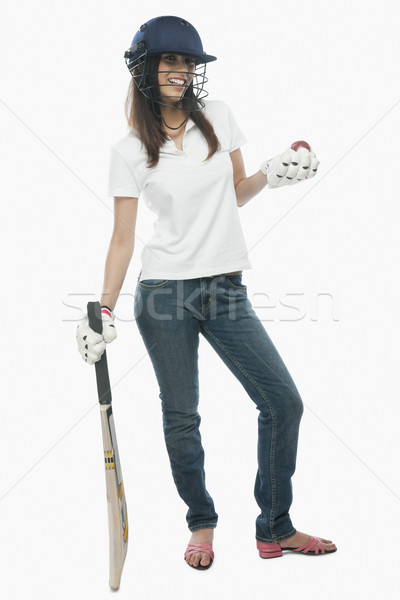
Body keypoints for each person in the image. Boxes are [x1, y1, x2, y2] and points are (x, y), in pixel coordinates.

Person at [76, 15, 337, 570]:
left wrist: (274, 171)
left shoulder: (217, 117)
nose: (181, 72)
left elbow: (238, 193)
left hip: (225, 290)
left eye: (188, 63)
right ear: (145, 68)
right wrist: (102, 309)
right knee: (182, 417)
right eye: (170, 62)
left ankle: (275, 528)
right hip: (162, 295)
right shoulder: (127, 151)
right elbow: (123, 238)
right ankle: (202, 522)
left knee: (283, 402)